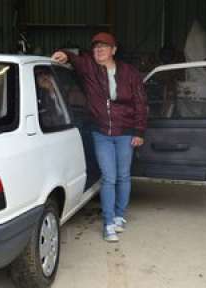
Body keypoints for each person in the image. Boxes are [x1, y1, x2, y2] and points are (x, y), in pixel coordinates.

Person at [51, 32, 148, 242]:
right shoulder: (89, 67)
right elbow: (74, 58)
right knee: (109, 177)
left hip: (125, 132)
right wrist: (64, 53)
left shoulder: (129, 73)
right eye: (96, 47)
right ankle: (109, 222)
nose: (99, 50)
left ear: (114, 50)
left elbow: (140, 102)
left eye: (104, 47)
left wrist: (139, 131)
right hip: (101, 132)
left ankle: (120, 215)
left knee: (123, 176)